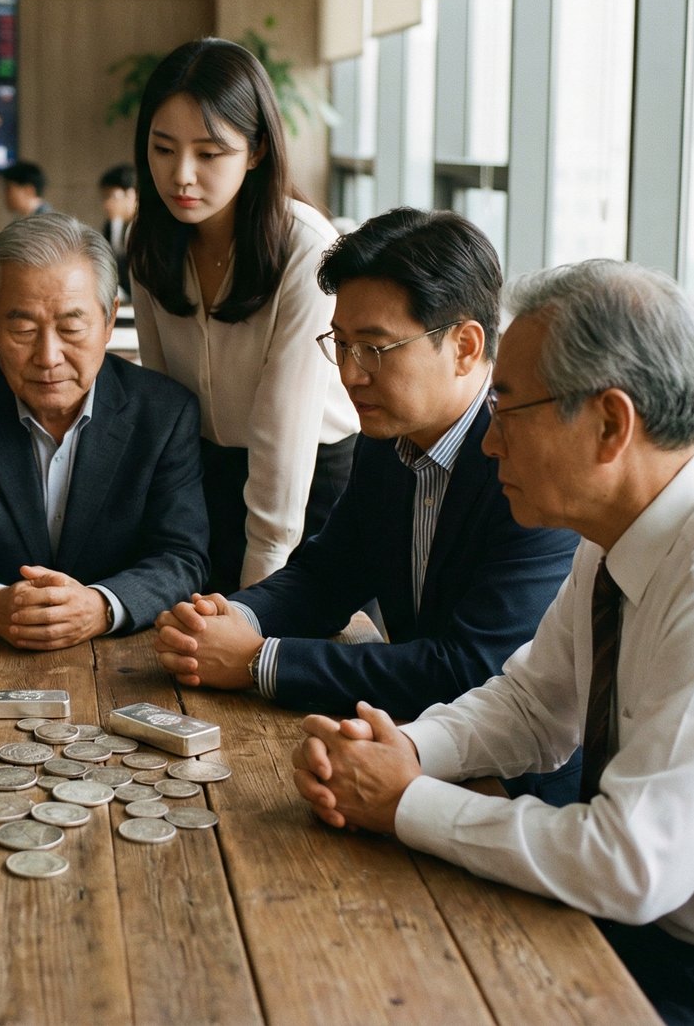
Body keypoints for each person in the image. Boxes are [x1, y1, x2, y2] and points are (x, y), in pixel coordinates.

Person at [292, 260, 694, 1026]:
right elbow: (535, 703)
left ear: (610, 423)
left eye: (507, 409)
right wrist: (412, 749)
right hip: (644, 930)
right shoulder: (619, 533)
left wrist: (407, 802)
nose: (490, 443)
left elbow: (632, 862)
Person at [152, 209, 581, 798]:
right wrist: (232, 619)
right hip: (412, 739)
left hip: (519, 787)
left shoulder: (530, 464)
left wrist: (259, 661)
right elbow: (331, 571)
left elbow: (473, 668)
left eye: (376, 349)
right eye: (342, 344)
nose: (351, 374)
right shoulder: (391, 437)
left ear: (464, 345)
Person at [0, 213, 208, 648]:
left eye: (71, 327)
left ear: (110, 319)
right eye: (22, 328)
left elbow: (181, 557)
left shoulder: (164, 415)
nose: (48, 356)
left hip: (127, 658)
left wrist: (102, 606)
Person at [128, 38, 359, 593]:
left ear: (255, 151)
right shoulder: (151, 242)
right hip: (204, 476)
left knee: (281, 657)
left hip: (312, 482)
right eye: (163, 149)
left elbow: (284, 434)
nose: (182, 175)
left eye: (209, 155)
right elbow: (162, 402)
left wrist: (255, 605)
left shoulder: (306, 248)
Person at [98, 162, 137, 298]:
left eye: (111, 196)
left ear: (131, 194)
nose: (106, 204)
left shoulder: (150, 228)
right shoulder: (111, 226)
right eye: (104, 197)